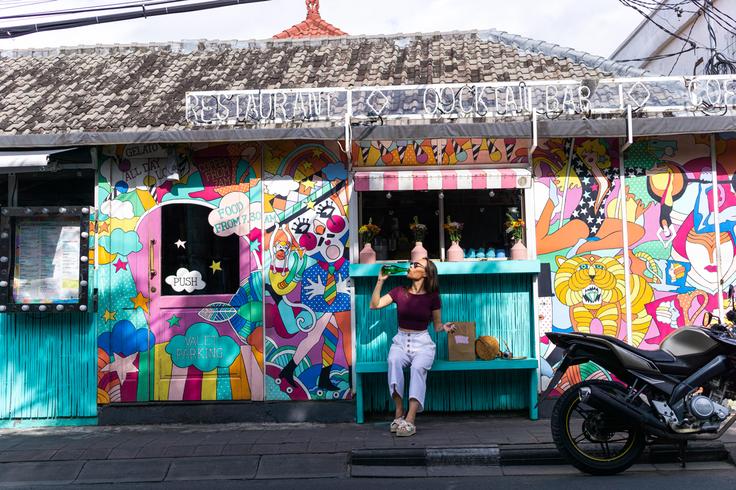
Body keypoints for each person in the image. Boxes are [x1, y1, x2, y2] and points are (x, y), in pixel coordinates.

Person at [370, 257, 455, 437]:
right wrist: (380, 281)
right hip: (401, 341)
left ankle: (410, 420)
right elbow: (374, 305)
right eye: (411, 264)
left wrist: (444, 327)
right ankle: (399, 413)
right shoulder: (399, 291)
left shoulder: (433, 297)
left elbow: (437, 325)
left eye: (416, 265)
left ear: (425, 273)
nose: (411, 266)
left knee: (417, 368)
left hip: (422, 343)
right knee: (393, 361)